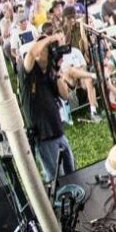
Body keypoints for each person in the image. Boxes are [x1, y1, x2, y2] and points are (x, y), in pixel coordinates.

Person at [23, 31, 79, 182]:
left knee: (71, 170)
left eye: (48, 49)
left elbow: (65, 95)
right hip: (44, 135)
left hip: (58, 131)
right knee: (56, 178)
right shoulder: (28, 72)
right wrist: (50, 38)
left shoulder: (50, 72)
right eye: (44, 48)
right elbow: (30, 53)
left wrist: (57, 72)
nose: (46, 51)